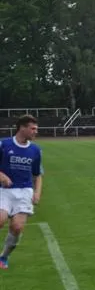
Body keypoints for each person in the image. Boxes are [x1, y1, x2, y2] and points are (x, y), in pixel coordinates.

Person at [0, 115, 43, 270]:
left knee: (17, 227)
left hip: (25, 191)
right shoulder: (3, 144)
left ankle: (3, 257)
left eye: (36, 129)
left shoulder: (35, 150)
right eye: (33, 128)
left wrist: (37, 193)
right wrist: (1, 175)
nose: (35, 131)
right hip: (4, 190)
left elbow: (37, 174)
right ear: (22, 128)